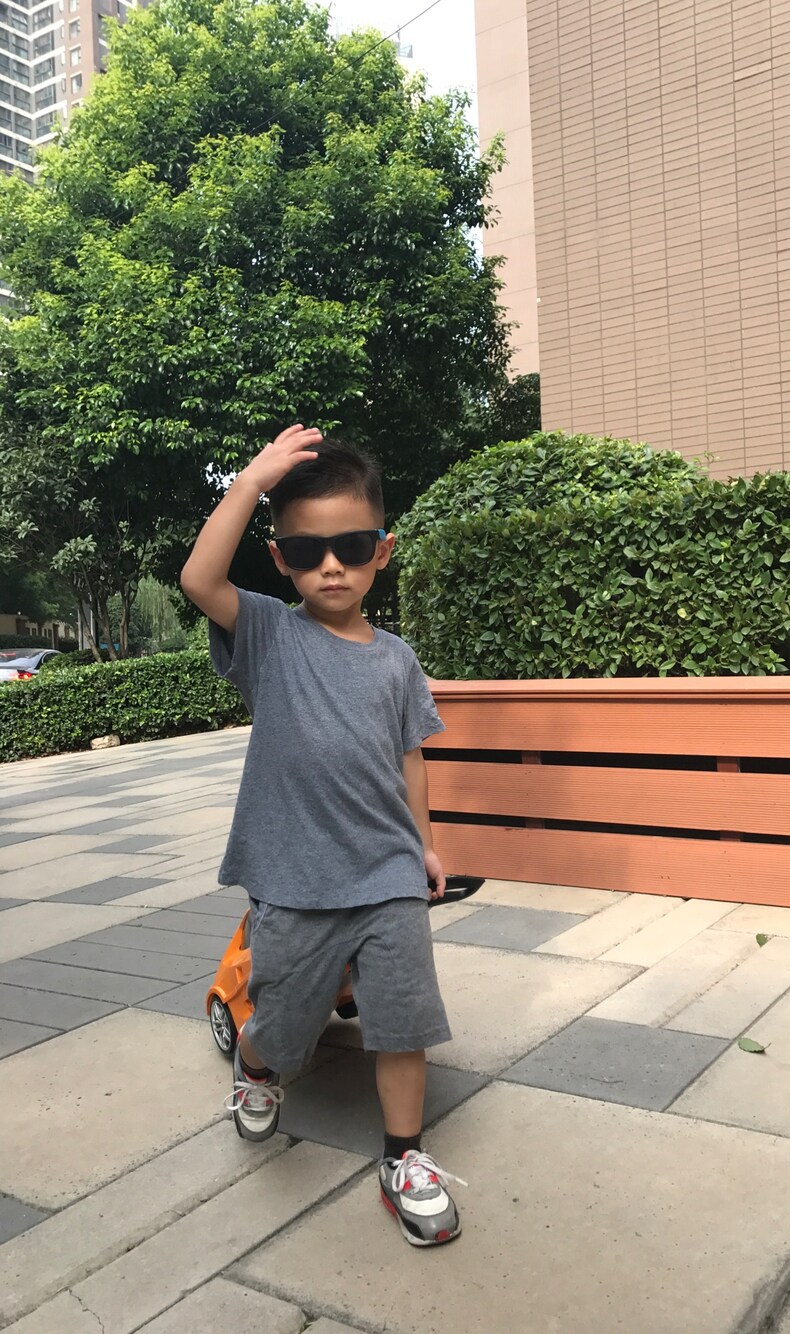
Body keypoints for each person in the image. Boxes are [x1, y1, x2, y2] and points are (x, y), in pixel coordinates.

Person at [180, 424, 463, 1247]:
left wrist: (424, 844)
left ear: (383, 550)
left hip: (387, 873)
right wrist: (250, 481)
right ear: (280, 558)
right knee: (286, 1024)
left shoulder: (397, 660)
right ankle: (257, 1065)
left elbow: (409, 757)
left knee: (403, 1019)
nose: (331, 565)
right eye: (308, 551)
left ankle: (404, 1156)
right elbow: (199, 579)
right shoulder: (270, 634)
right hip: (294, 877)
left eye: (352, 546)